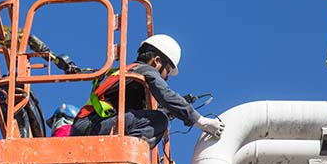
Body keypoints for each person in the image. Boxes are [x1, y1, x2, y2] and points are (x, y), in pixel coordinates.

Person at [70, 34, 225, 145]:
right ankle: (125, 157)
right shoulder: (144, 69)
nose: (167, 77)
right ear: (157, 62)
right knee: (158, 120)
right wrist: (200, 121)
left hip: (92, 127)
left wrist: (170, 111)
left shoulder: (131, 74)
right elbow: (165, 94)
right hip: (91, 127)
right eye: (168, 71)